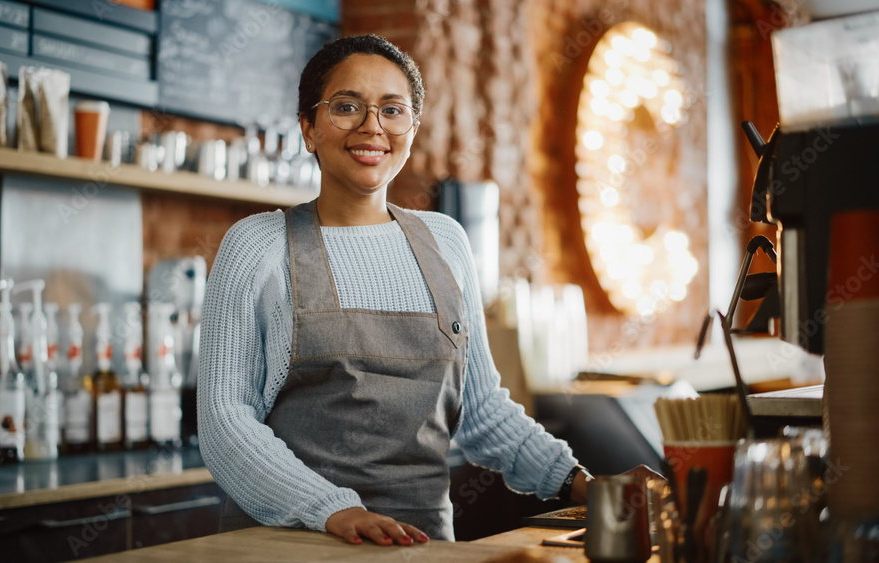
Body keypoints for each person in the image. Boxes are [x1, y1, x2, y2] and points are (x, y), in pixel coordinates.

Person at [198, 34, 658, 547]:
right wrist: (333, 510)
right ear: (309, 128)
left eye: (392, 110)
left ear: (411, 130)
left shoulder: (445, 241)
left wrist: (582, 483)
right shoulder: (257, 246)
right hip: (290, 546)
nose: (372, 126)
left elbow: (483, 413)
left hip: (422, 547)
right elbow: (224, 421)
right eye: (347, 107)